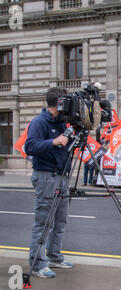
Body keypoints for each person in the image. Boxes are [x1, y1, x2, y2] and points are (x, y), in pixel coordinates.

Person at [25, 87, 74, 278]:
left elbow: (67, 143)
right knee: (44, 222)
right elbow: (30, 146)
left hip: (62, 175)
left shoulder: (63, 122)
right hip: (46, 175)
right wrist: (53, 142)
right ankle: (37, 263)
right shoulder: (39, 122)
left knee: (61, 220)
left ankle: (54, 256)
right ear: (58, 104)